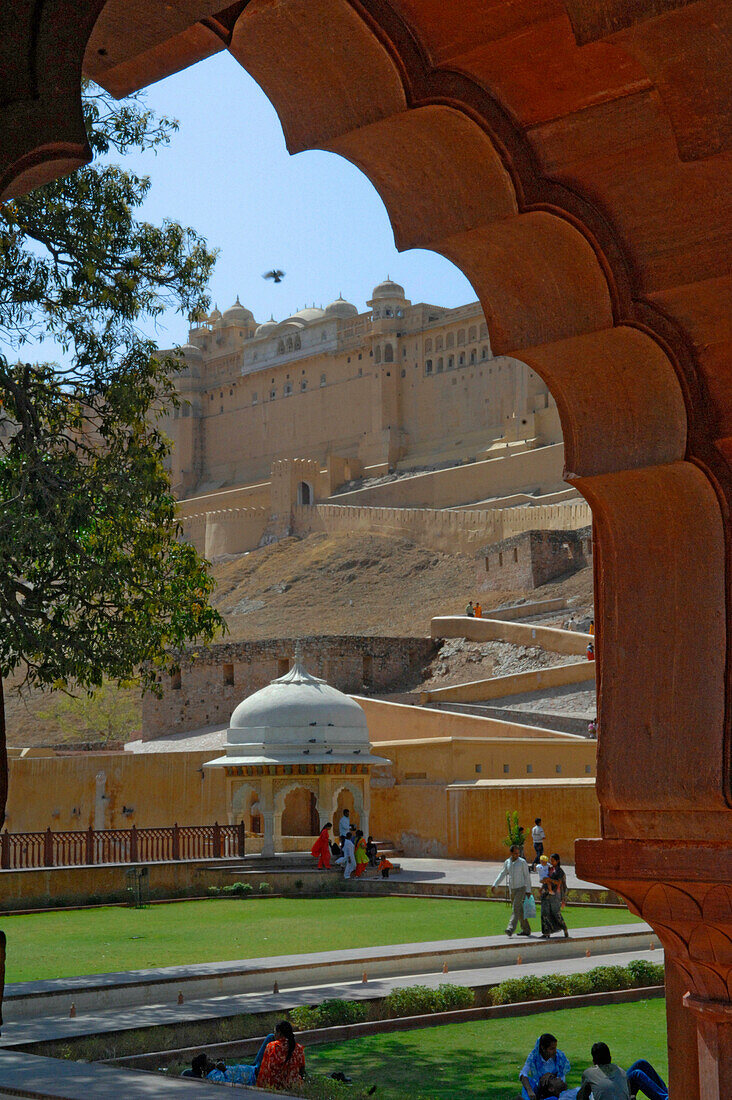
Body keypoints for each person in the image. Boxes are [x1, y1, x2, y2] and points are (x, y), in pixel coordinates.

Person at [576, 1043, 668, 1100]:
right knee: (636, 1074)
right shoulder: (619, 1071)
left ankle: (668, 1094)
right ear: (610, 1058)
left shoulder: (589, 1073)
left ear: (594, 1061)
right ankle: (665, 1098)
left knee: (641, 1063)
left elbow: (581, 1096)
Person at [185, 1033, 274, 1084]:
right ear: (203, 1068)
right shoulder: (213, 1078)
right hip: (255, 1074)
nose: (212, 1061)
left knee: (270, 1037)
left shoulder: (215, 1070)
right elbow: (228, 1084)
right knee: (270, 1038)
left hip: (251, 1067)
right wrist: (223, 1070)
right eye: (209, 1061)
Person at [492, 843, 532, 936]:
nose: (517, 855)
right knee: (519, 910)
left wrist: (528, 890)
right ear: (511, 853)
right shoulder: (507, 862)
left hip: (521, 888)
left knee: (515, 908)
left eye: (518, 853)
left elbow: (527, 876)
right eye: (515, 853)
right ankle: (526, 929)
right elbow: (503, 873)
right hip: (512, 889)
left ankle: (510, 928)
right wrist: (495, 884)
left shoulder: (522, 862)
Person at [256, 1021, 306, 1092]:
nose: (274, 1035)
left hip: (275, 1085)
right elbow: (302, 1070)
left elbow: (265, 1069)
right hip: (293, 1085)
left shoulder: (271, 1047)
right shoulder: (299, 1049)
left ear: (279, 1033)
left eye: (275, 1032)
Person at [520, 1034, 571, 1100]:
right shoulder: (534, 1056)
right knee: (528, 1081)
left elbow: (562, 1080)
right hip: (540, 1089)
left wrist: (550, 1075)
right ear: (543, 1048)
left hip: (554, 1090)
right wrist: (530, 1091)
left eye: (555, 1048)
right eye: (552, 1049)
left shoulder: (559, 1057)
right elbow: (523, 1073)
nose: (555, 1051)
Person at [541, 853, 569, 939]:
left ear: (557, 861)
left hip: (555, 895)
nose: (551, 862)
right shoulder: (548, 869)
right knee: (544, 913)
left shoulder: (559, 871)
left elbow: (559, 882)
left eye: (553, 860)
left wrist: (549, 880)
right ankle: (546, 932)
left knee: (556, 913)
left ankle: (564, 928)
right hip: (546, 893)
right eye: (550, 860)